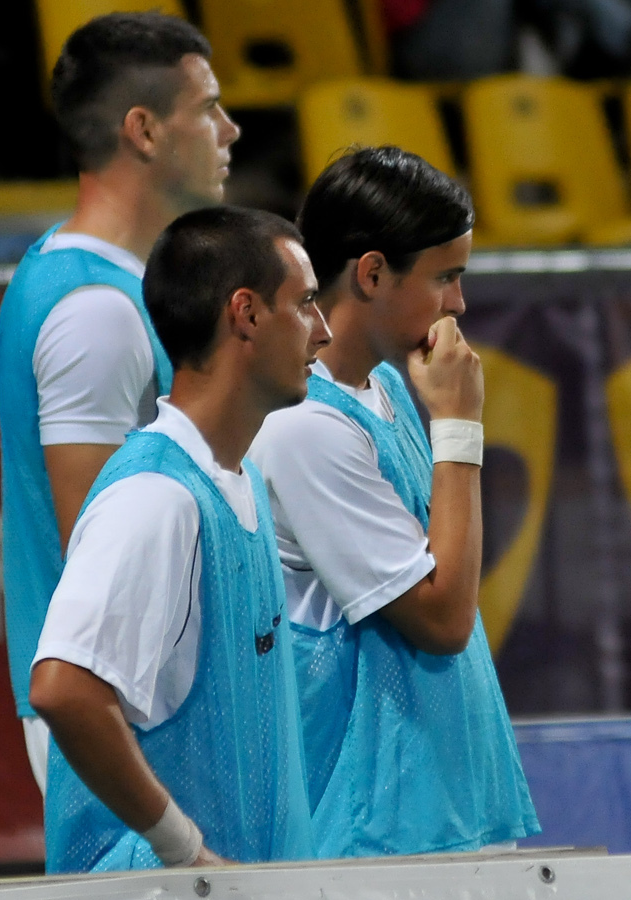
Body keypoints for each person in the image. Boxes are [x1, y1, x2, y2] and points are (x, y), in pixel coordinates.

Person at [248, 146, 541, 858]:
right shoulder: (305, 427)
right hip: (376, 836)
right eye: (445, 277)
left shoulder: (386, 386)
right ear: (373, 273)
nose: (459, 304)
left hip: (448, 809)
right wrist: (460, 427)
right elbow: (443, 619)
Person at [29, 206, 330, 872]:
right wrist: (184, 851)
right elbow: (63, 688)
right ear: (246, 314)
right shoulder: (155, 497)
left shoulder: (239, 480)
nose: (324, 330)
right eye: (306, 304)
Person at [0, 11, 240, 795]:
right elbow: (100, 558)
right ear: (144, 130)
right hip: (128, 722)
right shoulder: (94, 313)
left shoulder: (110, 285)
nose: (230, 131)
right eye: (208, 108)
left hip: (149, 709)